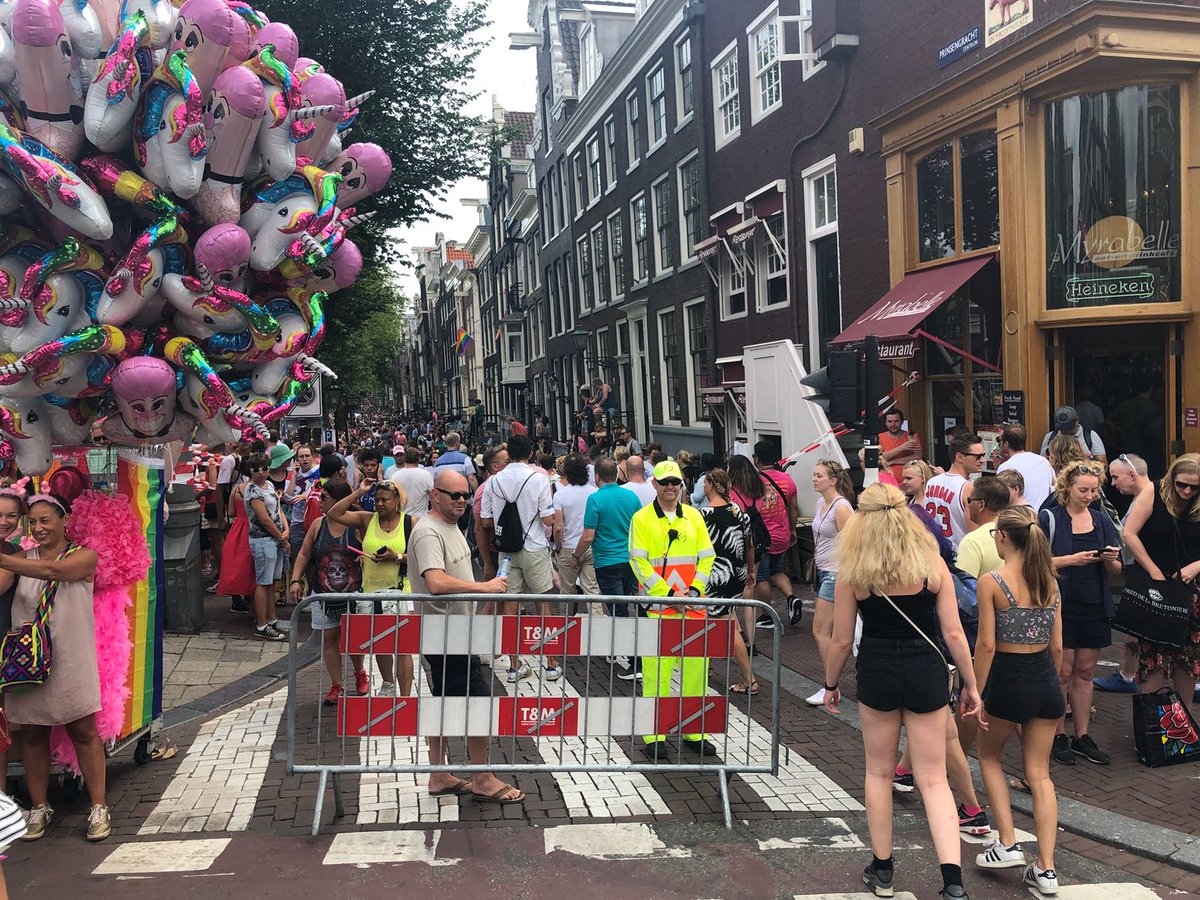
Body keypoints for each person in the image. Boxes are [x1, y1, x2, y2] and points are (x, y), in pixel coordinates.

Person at [823, 483, 983, 900]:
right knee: (933, 778)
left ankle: (882, 870)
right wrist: (970, 683)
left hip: (877, 665)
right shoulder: (931, 564)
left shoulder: (854, 572)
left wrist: (831, 683)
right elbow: (952, 631)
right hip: (925, 664)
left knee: (878, 771)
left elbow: (841, 640)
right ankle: (953, 882)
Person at [409, 469, 522, 803]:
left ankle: (439, 775)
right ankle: (482, 777)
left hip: (456, 634)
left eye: (465, 495)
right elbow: (436, 583)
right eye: (453, 495)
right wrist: (483, 587)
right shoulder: (429, 532)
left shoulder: (448, 526)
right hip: (447, 637)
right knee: (477, 704)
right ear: (435, 494)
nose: (461, 501)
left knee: (445, 704)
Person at [0, 495, 109, 842]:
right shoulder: (18, 558)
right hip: (26, 661)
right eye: (33, 522)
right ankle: (39, 806)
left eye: (46, 520)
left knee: (84, 730)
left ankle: (99, 806)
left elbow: (55, 572)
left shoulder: (84, 557)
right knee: (31, 733)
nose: (39, 528)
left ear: (65, 521)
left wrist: (5, 559)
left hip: (71, 657)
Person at [972, 506, 1065, 896]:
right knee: (1039, 775)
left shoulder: (992, 580)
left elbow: (987, 644)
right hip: (1045, 680)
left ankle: (1007, 841)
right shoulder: (1050, 582)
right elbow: (1058, 646)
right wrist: (1052, 685)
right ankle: (1046, 869)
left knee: (990, 756)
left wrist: (974, 691)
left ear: (1004, 538)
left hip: (1009, 679)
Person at [628, 460, 717, 760]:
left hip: (692, 607)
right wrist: (667, 593)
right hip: (660, 609)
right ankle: (655, 735)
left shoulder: (694, 517)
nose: (670, 487)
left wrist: (694, 590)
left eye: (675, 482)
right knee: (656, 676)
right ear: (654, 484)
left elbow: (707, 557)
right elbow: (638, 562)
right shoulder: (641, 519)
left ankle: (695, 731)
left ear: (682, 485)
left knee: (695, 674)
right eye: (664, 482)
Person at [1039, 461, 1121, 766]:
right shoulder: (1051, 518)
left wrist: (1110, 560)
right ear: (1067, 488)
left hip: (1094, 603)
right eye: (1082, 490)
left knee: (1085, 672)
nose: (1089, 495)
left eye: (1093, 490)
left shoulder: (1101, 521)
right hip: (1062, 605)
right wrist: (1072, 560)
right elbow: (1038, 562)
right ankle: (1058, 734)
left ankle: (1082, 736)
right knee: (1063, 671)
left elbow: (1116, 569)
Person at [1122, 453, 1200, 713]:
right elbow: (1130, 533)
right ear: (1172, 478)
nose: (1187, 491)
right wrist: (1153, 570)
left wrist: (1196, 566)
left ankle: (1184, 723)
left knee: (1187, 658)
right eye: (1182, 484)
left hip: (1191, 587)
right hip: (1154, 583)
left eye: (1194, 487)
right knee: (1151, 654)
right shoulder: (1153, 491)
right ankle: (1152, 724)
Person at [480, 434, 559, 683]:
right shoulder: (538, 478)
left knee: (509, 608)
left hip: (507, 551)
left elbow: (485, 521)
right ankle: (551, 664)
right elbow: (547, 519)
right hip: (534, 547)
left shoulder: (494, 481)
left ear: (508, 456)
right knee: (544, 606)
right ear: (530, 454)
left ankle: (514, 666)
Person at [327, 479, 414, 697]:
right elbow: (334, 513)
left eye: (385, 499)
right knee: (381, 644)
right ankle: (387, 684)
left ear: (397, 501)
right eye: (376, 499)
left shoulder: (410, 523)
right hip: (371, 592)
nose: (379, 504)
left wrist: (398, 557)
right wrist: (360, 491)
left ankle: (405, 697)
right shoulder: (367, 520)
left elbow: (422, 556)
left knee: (403, 647)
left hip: (402, 590)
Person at [288, 478, 364, 705]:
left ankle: (359, 671)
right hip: (323, 592)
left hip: (355, 593)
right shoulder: (318, 524)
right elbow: (304, 553)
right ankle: (337, 684)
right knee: (329, 638)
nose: (319, 500)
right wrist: (295, 580)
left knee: (354, 637)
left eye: (325, 497)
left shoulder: (357, 524)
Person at [576, 457, 645, 679]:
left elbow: (588, 536)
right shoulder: (631, 496)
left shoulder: (595, 500)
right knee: (631, 607)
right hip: (630, 560)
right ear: (616, 475)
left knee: (618, 611)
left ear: (597, 477)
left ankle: (635, 663)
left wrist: (576, 556)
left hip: (606, 562)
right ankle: (633, 655)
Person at [1095, 453, 1154, 693]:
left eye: (1116, 477)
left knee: (1137, 624)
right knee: (1135, 625)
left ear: (1132, 474)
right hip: (1138, 570)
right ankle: (1128, 674)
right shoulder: (1143, 498)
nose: (1113, 482)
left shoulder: (1150, 499)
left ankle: (1129, 676)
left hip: (1143, 572)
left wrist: (1150, 569)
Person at [729, 446, 803, 629]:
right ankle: (791, 597)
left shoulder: (752, 483)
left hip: (761, 538)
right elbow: (793, 508)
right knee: (776, 571)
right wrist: (792, 530)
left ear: (756, 459)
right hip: (783, 534)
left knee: (761, 577)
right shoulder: (788, 480)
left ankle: (767, 615)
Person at [700, 469, 757, 695]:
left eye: (705, 483)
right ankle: (708, 666)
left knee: (727, 624)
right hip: (737, 573)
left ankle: (749, 678)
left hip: (715, 576)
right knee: (719, 618)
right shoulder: (739, 513)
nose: (703, 487)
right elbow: (749, 544)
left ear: (712, 485)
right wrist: (750, 570)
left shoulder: (701, 515)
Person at [806, 459, 856, 708]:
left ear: (833, 480)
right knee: (827, 631)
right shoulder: (820, 503)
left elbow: (852, 545)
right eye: (814, 475)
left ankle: (831, 685)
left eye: (819, 475)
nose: (814, 479)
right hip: (823, 570)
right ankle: (830, 684)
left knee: (821, 630)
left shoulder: (842, 507)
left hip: (837, 573)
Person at [244, 453, 289, 641]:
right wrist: (282, 538)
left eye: (265, 468)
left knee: (271, 582)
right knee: (263, 582)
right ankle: (261, 624)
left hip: (276, 539)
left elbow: (277, 510)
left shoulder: (269, 485)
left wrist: (285, 529)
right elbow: (263, 519)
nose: (261, 473)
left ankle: (271, 619)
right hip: (263, 540)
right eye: (256, 469)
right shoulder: (252, 490)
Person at [924, 433, 985, 548]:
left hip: (936, 552)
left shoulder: (932, 482)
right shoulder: (968, 488)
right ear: (959, 457)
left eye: (983, 455)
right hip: (959, 555)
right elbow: (975, 534)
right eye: (978, 456)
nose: (982, 460)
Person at [552, 453, 598, 601]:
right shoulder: (595, 493)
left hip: (568, 546)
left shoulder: (560, 495)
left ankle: (567, 621)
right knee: (591, 588)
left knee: (567, 591)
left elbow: (558, 527)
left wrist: (558, 547)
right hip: (591, 546)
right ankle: (596, 619)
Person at [956, 476, 1009, 579]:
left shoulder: (972, 541)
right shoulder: (1017, 532)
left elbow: (964, 589)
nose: (968, 504)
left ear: (981, 505)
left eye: (969, 500)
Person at [997, 425, 1055, 510]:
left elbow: (1002, 499)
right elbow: (1054, 485)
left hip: (1021, 518)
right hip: (1043, 517)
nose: (999, 443)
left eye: (999, 440)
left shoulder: (1005, 468)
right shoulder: (1043, 461)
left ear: (1006, 444)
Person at [473, 445, 509, 579]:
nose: (512, 465)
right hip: (495, 552)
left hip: (506, 548)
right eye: (507, 462)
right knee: (498, 593)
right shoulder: (484, 491)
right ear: (495, 466)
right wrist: (488, 563)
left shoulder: (504, 487)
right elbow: (479, 528)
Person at [1039, 406, 1107, 466]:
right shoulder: (1050, 437)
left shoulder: (1090, 436)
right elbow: (1042, 462)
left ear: (1077, 420)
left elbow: (1102, 464)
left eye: (1068, 427)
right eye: (1062, 427)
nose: (1065, 430)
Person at [879, 409, 923, 484]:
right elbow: (881, 459)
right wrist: (901, 448)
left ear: (902, 422)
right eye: (889, 421)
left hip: (910, 483)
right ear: (885, 423)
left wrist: (893, 461)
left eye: (896, 421)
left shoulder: (912, 436)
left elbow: (918, 457)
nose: (893, 424)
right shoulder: (880, 437)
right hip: (888, 484)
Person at [390, 446, 435, 517]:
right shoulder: (426, 475)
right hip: (421, 519)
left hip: (402, 519)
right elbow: (433, 498)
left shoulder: (395, 476)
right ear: (418, 459)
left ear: (405, 458)